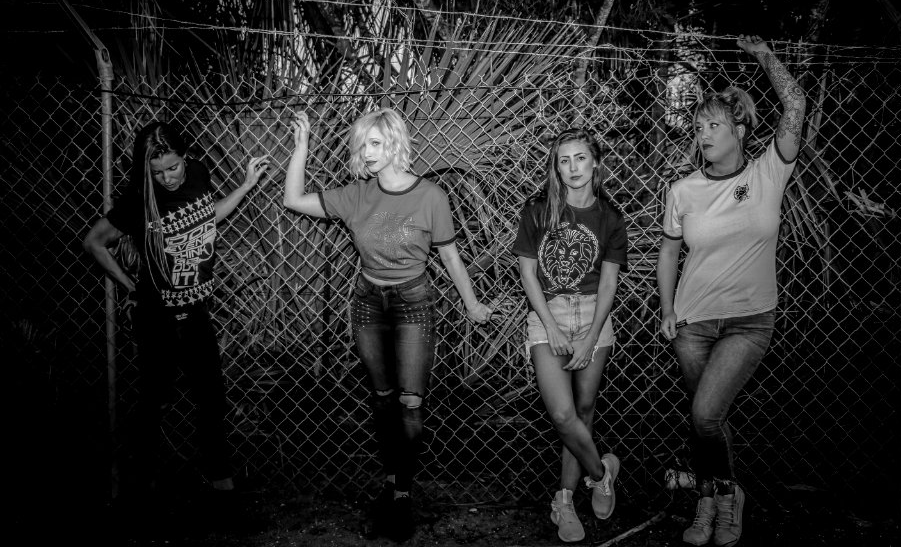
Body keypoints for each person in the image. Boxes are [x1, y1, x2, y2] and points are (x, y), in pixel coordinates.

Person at [283, 107, 492, 542]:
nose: (366, 152)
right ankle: (393, 483)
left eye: (375, 143)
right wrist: (302, 145)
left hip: (414, 303)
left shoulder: (431, 195)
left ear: (395, 142)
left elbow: (450, 254)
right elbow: (293, 200)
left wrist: (472, 304)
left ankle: (401, 491)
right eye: (362, 145)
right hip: (368, 304)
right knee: (382, 399)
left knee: (411, 404)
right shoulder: (357, 194)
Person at [657, 35, 807, 547]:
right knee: (707, 420)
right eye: (698, 127)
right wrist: (666, 309)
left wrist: (764, 55)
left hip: (749, 321)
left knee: (704, 414)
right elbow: (669, 252)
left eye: (714, 125)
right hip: (693, 323)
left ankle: (722, 495)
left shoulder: (770, 171)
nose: (703, 134)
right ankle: (713, 501)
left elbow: (796, 105)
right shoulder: (683, 190)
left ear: (741, 130)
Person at [83, 122, 270, 507]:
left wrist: (246, 186)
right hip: (159, 317)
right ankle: (140, 489)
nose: (168, 178)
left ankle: (223, 490)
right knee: (154, 401)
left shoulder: (199, 172)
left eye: (173, 168)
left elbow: (208, 217)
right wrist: (130, 286)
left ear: (185, 158)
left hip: (197, 308)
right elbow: (94, 242)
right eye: (158, 172)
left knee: (212, 401)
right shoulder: (139, 198)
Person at [511, 127, 628, 543]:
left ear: (595, 162)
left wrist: (590, 335)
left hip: (595, 316)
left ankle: (564, 498)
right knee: (562, 415)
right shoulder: (539, 210)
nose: (573, 167)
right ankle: (602, 473)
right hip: (548, 314)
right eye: (564, 160)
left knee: (583, 411)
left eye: (580, 158)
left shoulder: (610, 218)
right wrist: (555, 327)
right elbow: (527, 273)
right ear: (555, 167)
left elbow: (610, 284)